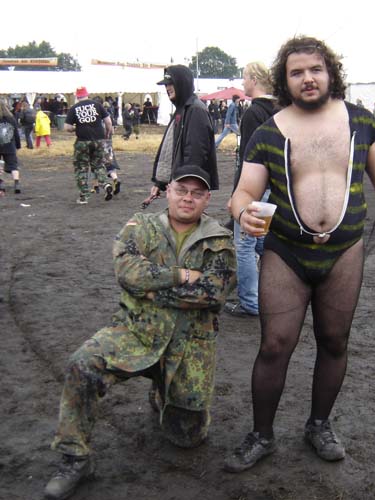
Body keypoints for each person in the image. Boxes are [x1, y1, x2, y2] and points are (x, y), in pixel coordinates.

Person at [224, 36, 375, 472]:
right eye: (296, 72)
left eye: (315, 69)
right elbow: (244, 191)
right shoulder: (270, 132)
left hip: (344, 252)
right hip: (286, 253)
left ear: (330, 73)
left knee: (334, 340)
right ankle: (261, 435)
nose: (307, 78)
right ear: (284, 80)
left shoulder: (361, 123)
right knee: (275, 345)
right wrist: (242, 211)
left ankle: (319, 425)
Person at [43, 165, 236, 500]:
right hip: (136, 330)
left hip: (190, 341)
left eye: (197, 193)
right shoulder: (141, 225)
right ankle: (75, 458)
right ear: (168, 191)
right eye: (181, 190)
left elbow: (213, 294)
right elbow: (128, 273)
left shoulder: (218, 239)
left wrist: (150, 290)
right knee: (83, 363)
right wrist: (182, 276)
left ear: (207, 199)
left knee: (187, 437)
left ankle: (163, 390)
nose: (188, 198)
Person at [224, 61, 277, 317]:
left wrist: (236, 196)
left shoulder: (253, 113)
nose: (243, 82)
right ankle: (276, 289)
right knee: (262, 242)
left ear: (254, 79)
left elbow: (247, 160)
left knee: (244, 245)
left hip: (254, 191)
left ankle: (250, 302)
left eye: (244, 77)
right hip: (272, 189)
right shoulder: (280, 111)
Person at [148, 65, 218, 205]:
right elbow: (171, 149)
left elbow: (195, 153)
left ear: (182, 83)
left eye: (170, 83)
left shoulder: (195, 110)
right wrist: (160, 183)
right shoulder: (183, 109)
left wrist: (186, 188)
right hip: (181, 186)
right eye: (166, 85)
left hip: (188, 190)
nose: (167, 88)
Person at [64, 86, 114, 205]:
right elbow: (108, 122)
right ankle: (105, 184)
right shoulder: (97, 105)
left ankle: (84, 196)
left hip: (82, 141)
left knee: (81, 168)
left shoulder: (74, 108)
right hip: (98, 140)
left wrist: (76, 128)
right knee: (98, 165)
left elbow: (67, 127)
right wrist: (107, 133)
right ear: (87, 94)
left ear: (77, 96)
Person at [0, 98, 22, 195]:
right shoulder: (11, 119)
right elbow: (16, 133)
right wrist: (18, 145)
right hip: (10, 145)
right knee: (13, 166)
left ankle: (1, 184)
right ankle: (16, 184)